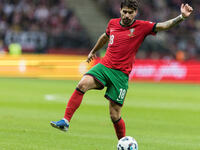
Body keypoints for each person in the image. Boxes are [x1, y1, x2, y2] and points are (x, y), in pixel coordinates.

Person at [51, 0, 193, 140]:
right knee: (82, 84)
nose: (126, 15)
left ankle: (123, 142)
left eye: (130, 13)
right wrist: (93, 51)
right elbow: (105, 36)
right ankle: (66, 121)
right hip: (105, 66)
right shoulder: (112, 23)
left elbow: (164, 26)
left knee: (114, 114)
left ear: (135, 13)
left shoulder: (142, 26)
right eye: (124, 12)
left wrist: (181, 17)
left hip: (120, 75)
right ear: (120, 11)